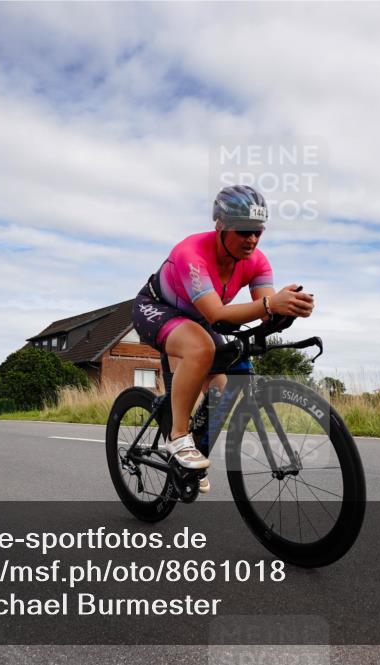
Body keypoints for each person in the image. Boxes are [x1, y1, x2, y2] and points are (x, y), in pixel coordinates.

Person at [132, 185, 314, 493]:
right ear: (220, 225)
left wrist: (289, 308)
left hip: (198, 317)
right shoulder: (192, 253)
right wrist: (271, 305)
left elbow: (265, 309)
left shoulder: (257, 261)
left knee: (220, 385)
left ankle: (193, 456)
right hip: (156, 308)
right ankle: (178, 436)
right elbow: (218, 314)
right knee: (200, 347)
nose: (252, 239)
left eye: (258, 231)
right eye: (243, 231)